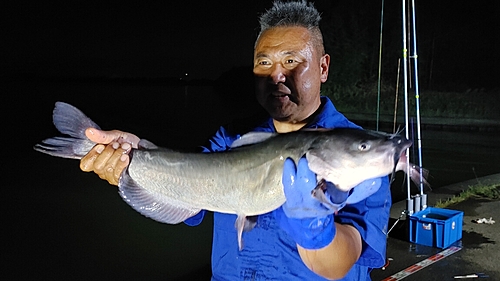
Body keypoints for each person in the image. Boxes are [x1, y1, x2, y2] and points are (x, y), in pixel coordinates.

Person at [79, 1, 391, 280]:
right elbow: (186, 196)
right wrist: (134, 155)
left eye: (292, 62)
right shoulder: (230, 138)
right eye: (264, 63)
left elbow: (339, 264)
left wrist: (315, 229)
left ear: (323, 68)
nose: (276, 77)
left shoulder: (358, 154)